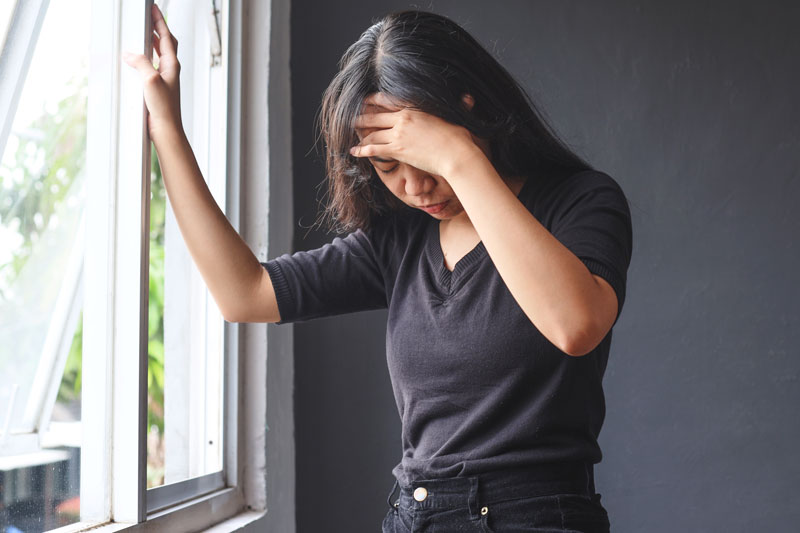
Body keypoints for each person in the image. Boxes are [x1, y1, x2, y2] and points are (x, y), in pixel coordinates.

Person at [124, 5, 632, 532]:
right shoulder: (402, 238)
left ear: (468, 113)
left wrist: (460, 159)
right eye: (387, 166)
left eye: (426, 160)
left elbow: (575, 325)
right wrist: (167, 128)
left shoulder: (581, 202)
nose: (413, 188)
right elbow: (244, 293)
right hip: (413, 516)